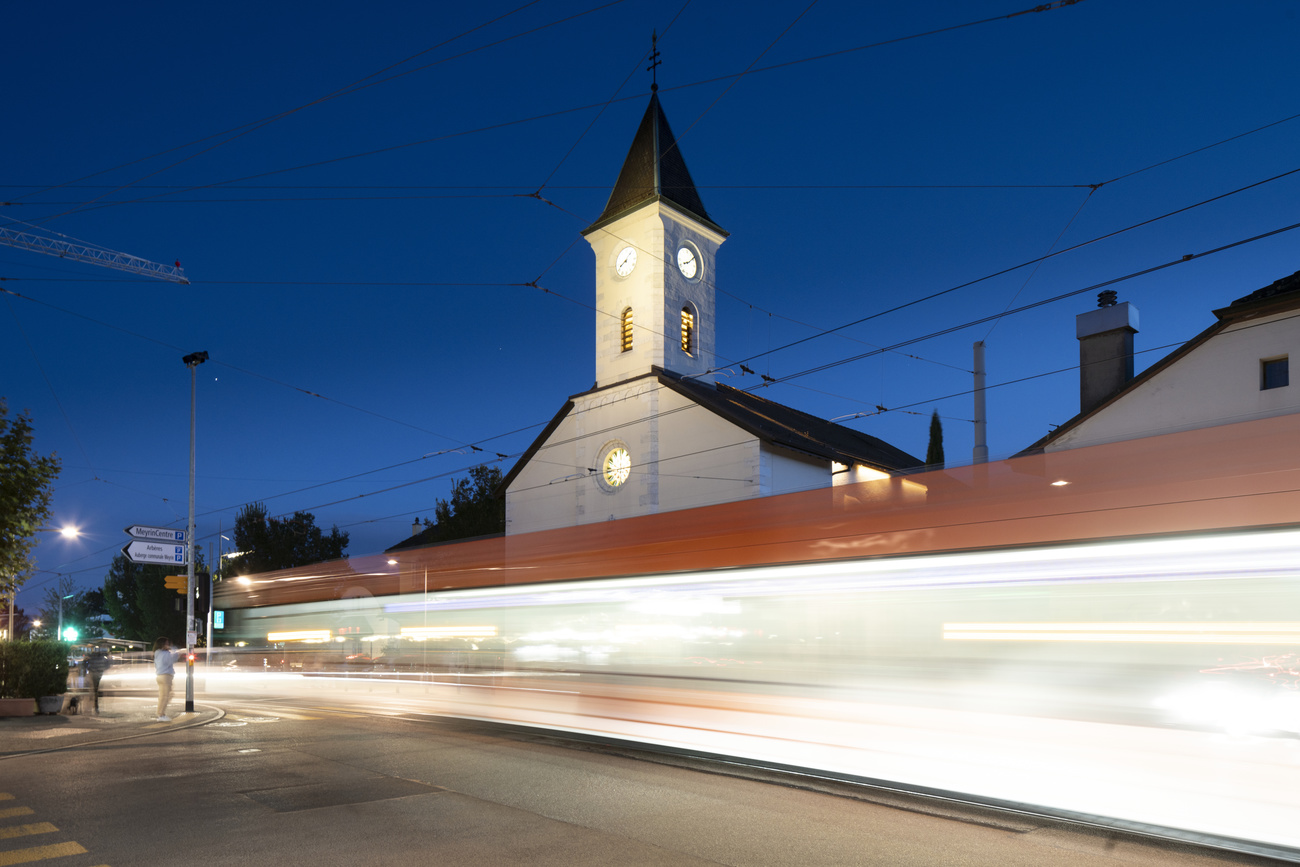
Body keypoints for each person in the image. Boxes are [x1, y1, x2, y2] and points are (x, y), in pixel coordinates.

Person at [153, 637, 186, 722]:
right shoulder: (165, 654)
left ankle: (160, 713)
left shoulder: (157, 652)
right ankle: (161, 715)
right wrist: (174, 649)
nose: (168, 645)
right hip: (166, 676)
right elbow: (173, 658)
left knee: (163, 696)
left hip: (160, 676)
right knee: (165, 696)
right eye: (167, 643)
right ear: (162, 644)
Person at [80, 649, 112, 714]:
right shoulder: (103, 657)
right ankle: (96, 705)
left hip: (93, 672)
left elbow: (84, 664)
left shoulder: (91, 657)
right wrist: (103, 669)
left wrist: (88, 668)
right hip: (99, 673)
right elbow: (108, 665)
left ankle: (94, 705)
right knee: (96, 689)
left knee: (94, 689)